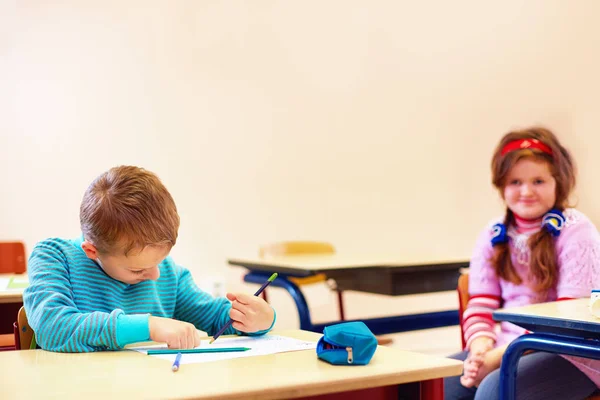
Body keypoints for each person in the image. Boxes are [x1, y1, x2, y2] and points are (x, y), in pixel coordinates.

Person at [23, 165, 275, 352]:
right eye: (138, 270)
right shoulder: (54, 257)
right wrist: (149, 326)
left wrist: (258, 319)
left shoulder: (166, 273)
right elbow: (52, 327)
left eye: (159, 262)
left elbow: (214, 318)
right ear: (92, 251)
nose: (155, 275)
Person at [444, 127, 600, 399]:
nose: (526, 191)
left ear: (558, 182)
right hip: (506, 347)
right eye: (515, 182)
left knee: (495, 390)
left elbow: (566, 321)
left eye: (538, 181)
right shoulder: (493, 234)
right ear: (501, 185)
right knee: (429, 384)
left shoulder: (577, 230)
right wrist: (480, 348)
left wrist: (495, 359)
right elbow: (481, 304)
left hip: (573, 354)